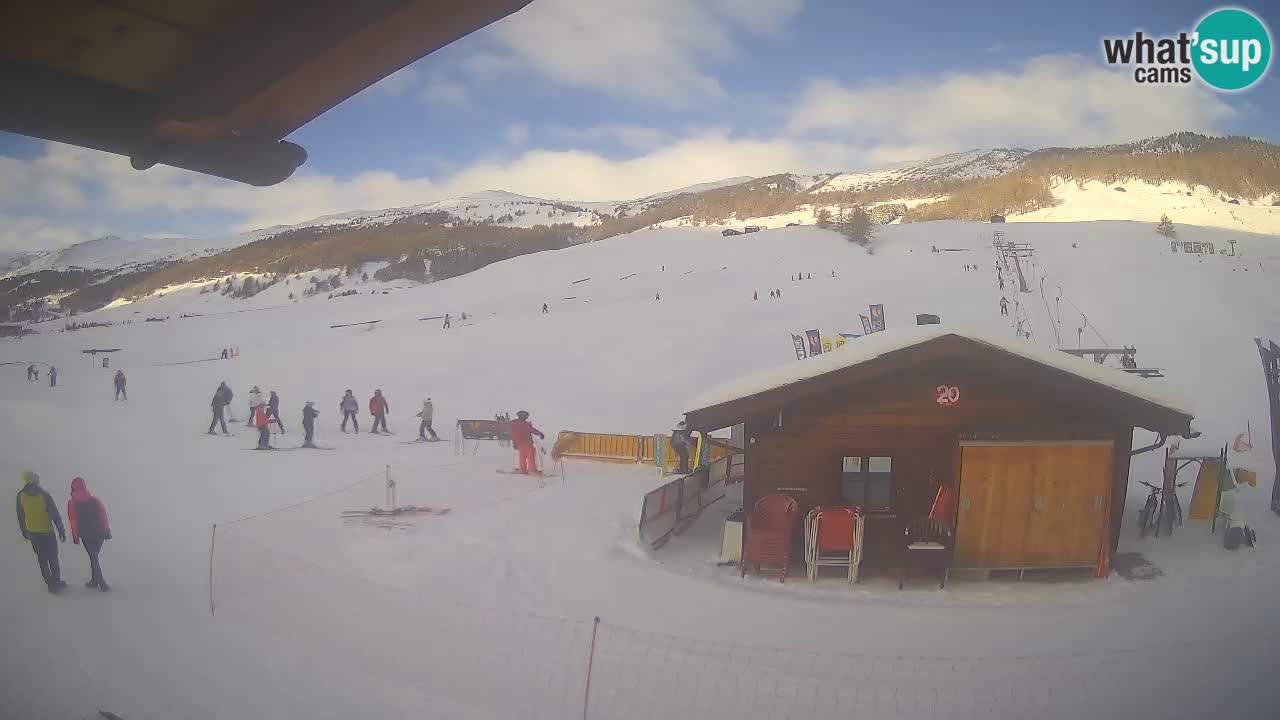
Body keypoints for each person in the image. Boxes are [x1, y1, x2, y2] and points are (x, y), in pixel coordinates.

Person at [15, 471, 66, 592]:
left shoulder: (20, 496)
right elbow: (54, 513)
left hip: (33, 532)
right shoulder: (44, 495)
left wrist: (24, 530)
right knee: (53, 557)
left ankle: (50, 583)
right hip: (47, 531)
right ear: (34, 480)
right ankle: (56, 581)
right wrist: (61, 529)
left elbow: (20, 515)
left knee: (42, 559)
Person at [66, 477, 111, 591]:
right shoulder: (94, 500)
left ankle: (101, 582)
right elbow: (103, 516)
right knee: (94, 556)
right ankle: (95, 580)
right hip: (99, 533)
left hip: (87, 534)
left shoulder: (72, 504)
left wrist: (75, 536)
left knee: (93, 557)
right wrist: (107, 531)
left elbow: (74, 520)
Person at [509, 410, 545, 475]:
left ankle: (523, 470)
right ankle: (532, 470)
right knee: (530, 456)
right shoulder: (526, 424)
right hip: (527, 443)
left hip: (519, 444)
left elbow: (513, 434)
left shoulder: (513, 424)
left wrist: (515, 443)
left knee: (522, 457)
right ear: (522, 416)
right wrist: (540, 434)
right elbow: (533, 430)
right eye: (526, 416)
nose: (527, 417)